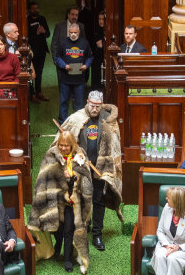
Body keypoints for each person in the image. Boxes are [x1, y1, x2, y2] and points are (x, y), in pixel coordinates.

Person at [57, 91, 124, 252]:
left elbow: (115, 145)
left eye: (98, 106)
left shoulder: (108, 119)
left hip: (102, 168)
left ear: (101, 105)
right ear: (87, 102)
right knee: (81, 199)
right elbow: (63, 141)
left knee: (99, 200)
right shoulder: (77, 118)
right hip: (81, 169)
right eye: (92, 105)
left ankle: (97, 234)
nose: (94, 109)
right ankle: (83, 229)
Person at [28, 131, 93, 274]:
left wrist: (73, 177)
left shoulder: (80, 156)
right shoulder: (51, 155)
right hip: (55, 200)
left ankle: (67, 258)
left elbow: (87, 179)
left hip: (72, 202)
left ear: (72, 145)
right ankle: (58, 244)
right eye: (61, 145)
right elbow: (42, 178)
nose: (63, 148)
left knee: (69, 230)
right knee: (57, 229)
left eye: (66, 146)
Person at [151, 186, 185, 275]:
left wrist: (178, 247)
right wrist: (167, 245)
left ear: (176, 201)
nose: (166, 199)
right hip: (167, 244)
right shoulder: (167, 208)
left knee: (172, 258)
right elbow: (160, 231)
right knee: (160, 256)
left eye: (169, 198)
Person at [54, 23, 93, 124]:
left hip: (79, 80)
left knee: (79, 104)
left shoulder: (85, 43)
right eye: (71, 33)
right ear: (68, 32)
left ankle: (79, 123)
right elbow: (57, 57)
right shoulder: (62, 42)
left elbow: (90, 57)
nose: (73, 35)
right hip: (65, 79)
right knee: (64, 102)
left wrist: (86, 65)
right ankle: (63, 124)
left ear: (79, 32)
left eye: (75, 32)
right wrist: (64, 65)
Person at [27, 2, 51, 101]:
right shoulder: (26, 20)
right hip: (31, 51)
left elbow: (48, 34)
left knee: (39, 72)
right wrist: (36, 33)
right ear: (29, 10)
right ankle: (31, 93)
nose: (35, 10)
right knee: (31, 72)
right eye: (33, 8)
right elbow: (25, 37)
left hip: (41, 50)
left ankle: (39, 92)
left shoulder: (42, 19)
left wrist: (44, 31)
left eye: (37, 8)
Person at [91, 11, 106, 90]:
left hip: (104, 57)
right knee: (96, 80)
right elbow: (98, 45)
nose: (101, 21)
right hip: (96, 58)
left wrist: (102, 44)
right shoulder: (97, 30)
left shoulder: (107, 30)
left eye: (103, 19)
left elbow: (101, 45)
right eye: (99, 19)